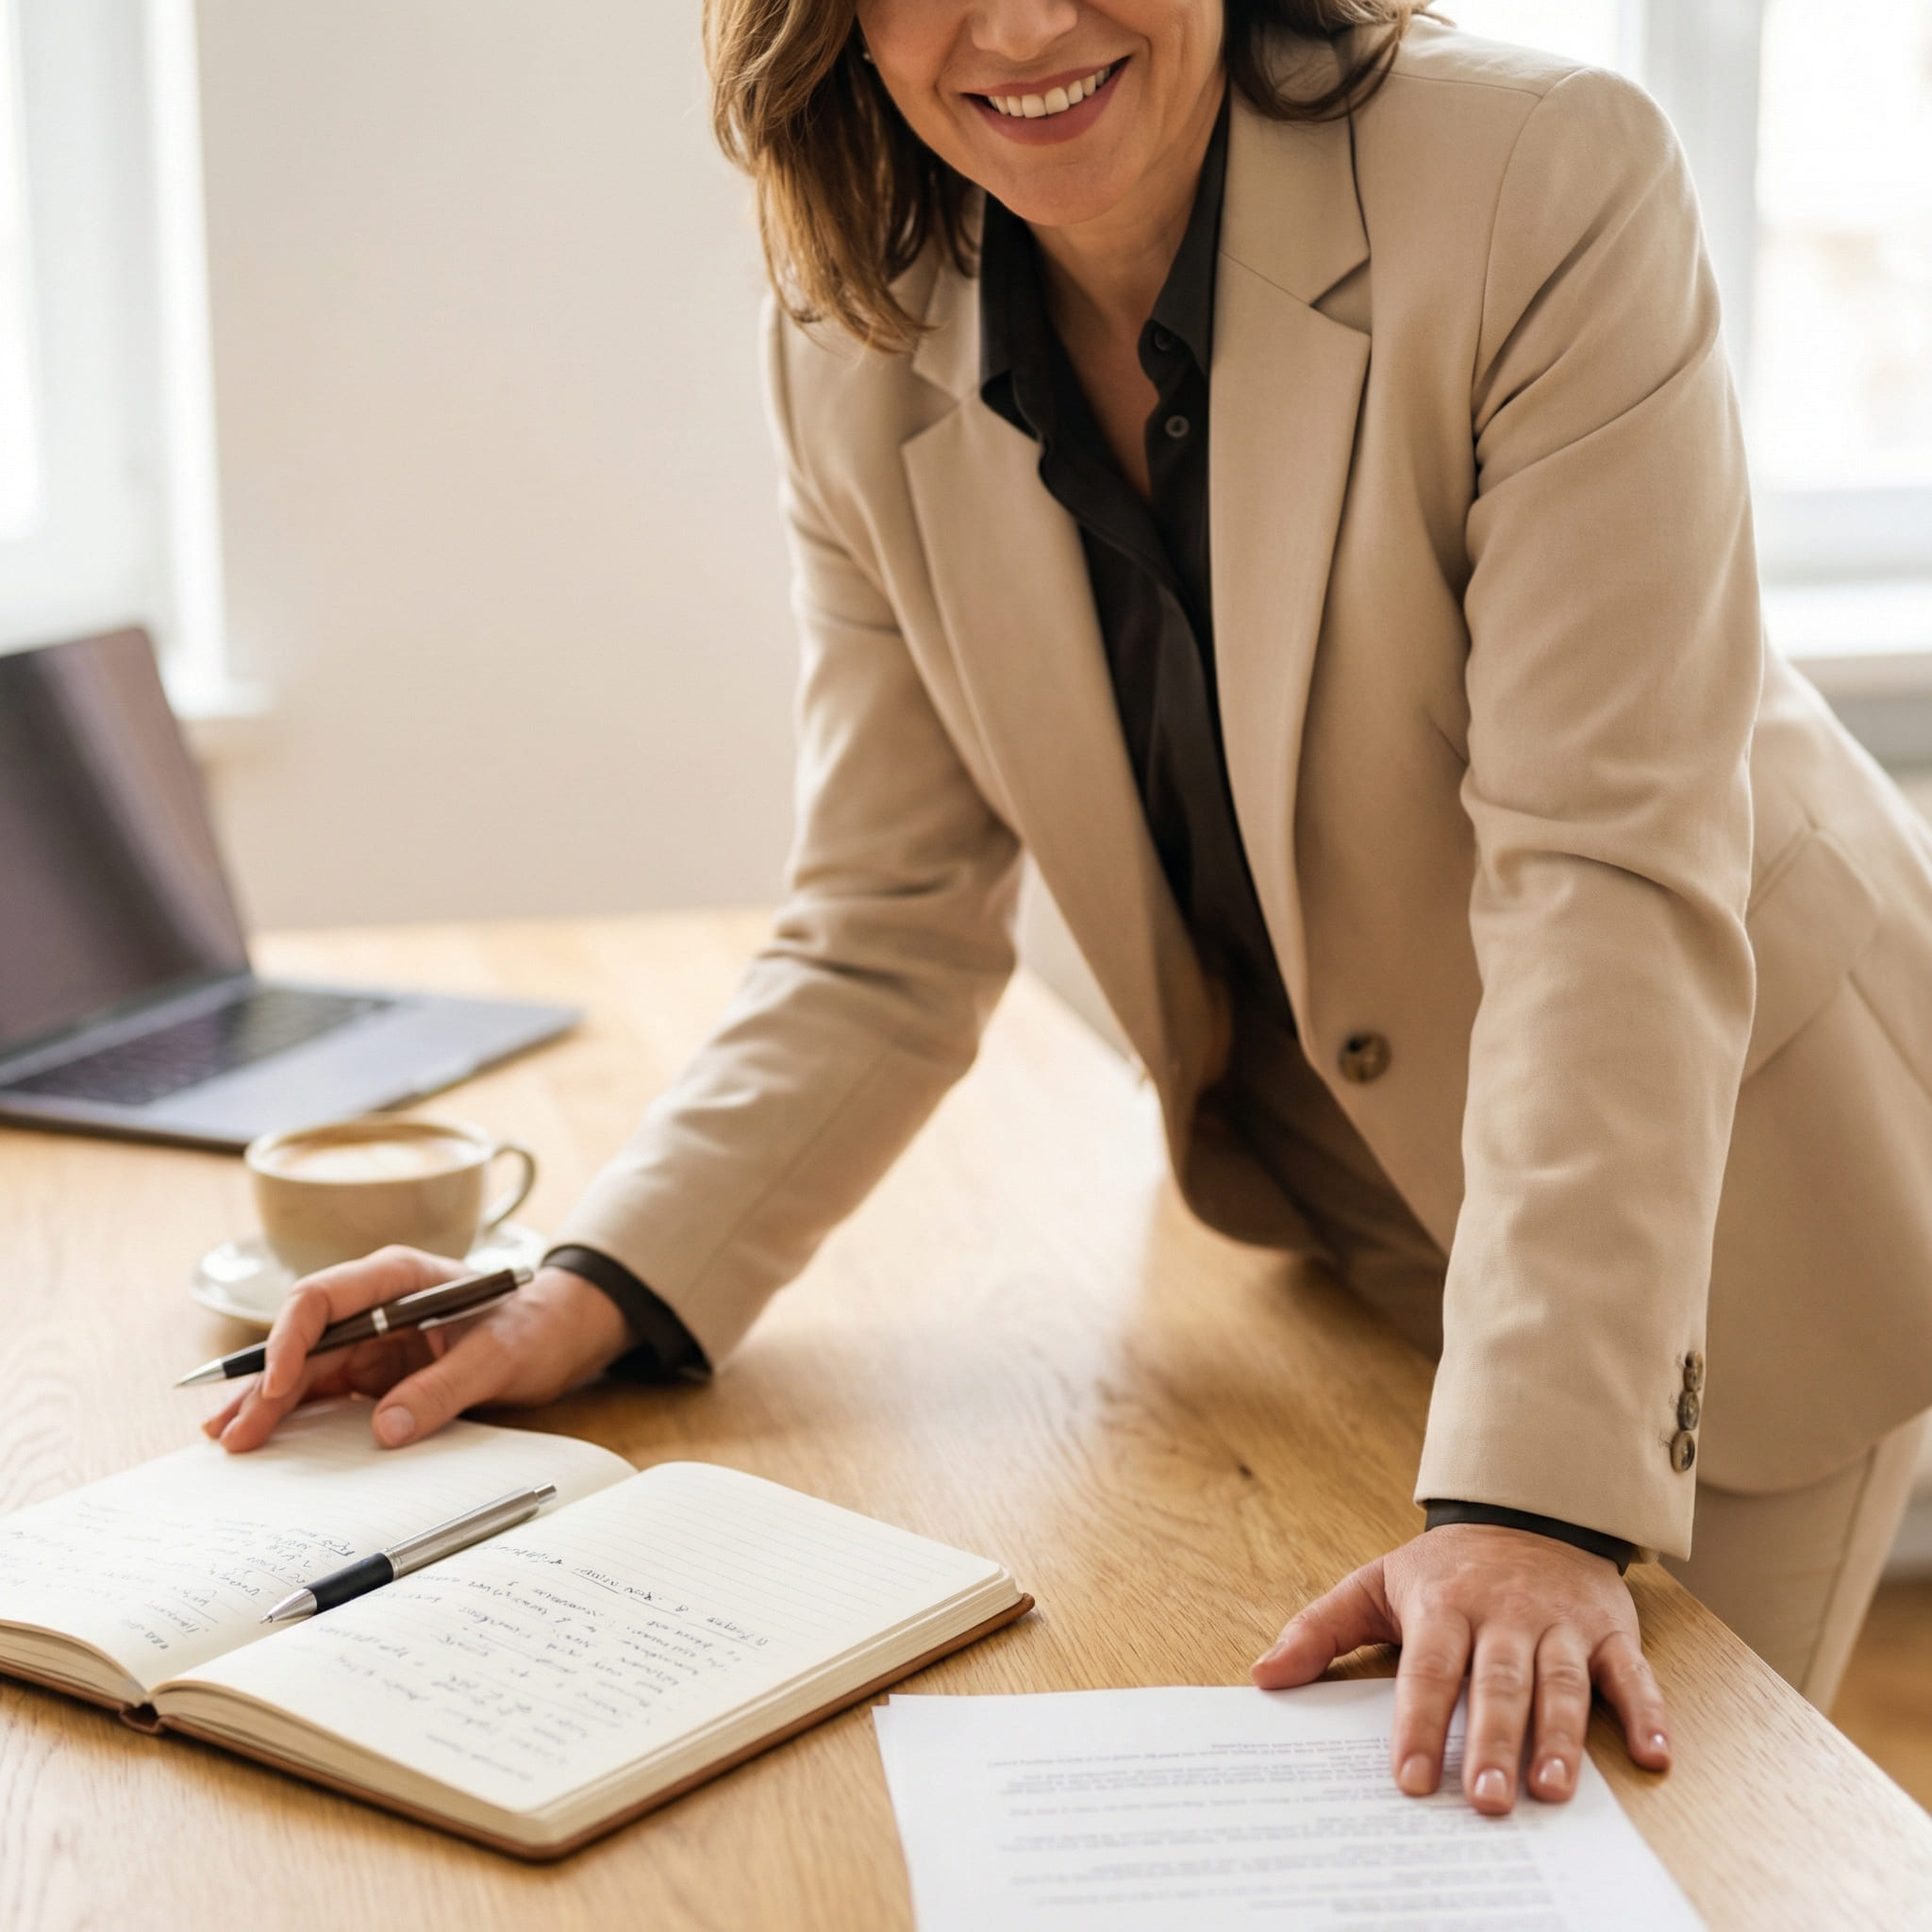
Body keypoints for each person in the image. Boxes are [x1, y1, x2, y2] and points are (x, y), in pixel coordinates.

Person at [207, 0, 1932, 1820]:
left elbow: (1603, 877)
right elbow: (884, 919)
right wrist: (593, 1286)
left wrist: (1530, 1496)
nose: (1026, 22)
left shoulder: (1543, 177)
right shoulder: (856, 328)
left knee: (1643, 1860)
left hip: (1733, 1223)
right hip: (1345, 1214)